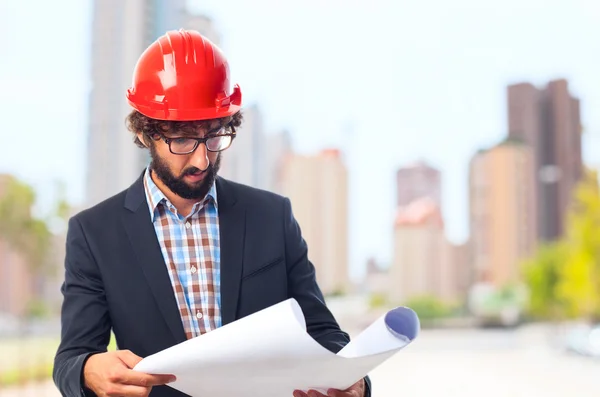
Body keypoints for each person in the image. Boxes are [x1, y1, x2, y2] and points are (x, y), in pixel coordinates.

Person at [53, 29, 371, 397]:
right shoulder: (94, 234)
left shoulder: (272, 216)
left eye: (215, 135)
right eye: (183, 139)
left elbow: (323, 333)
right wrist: (87, 371)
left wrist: (354, 383)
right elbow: (70, 360)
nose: (202, 159)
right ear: (144, 133)